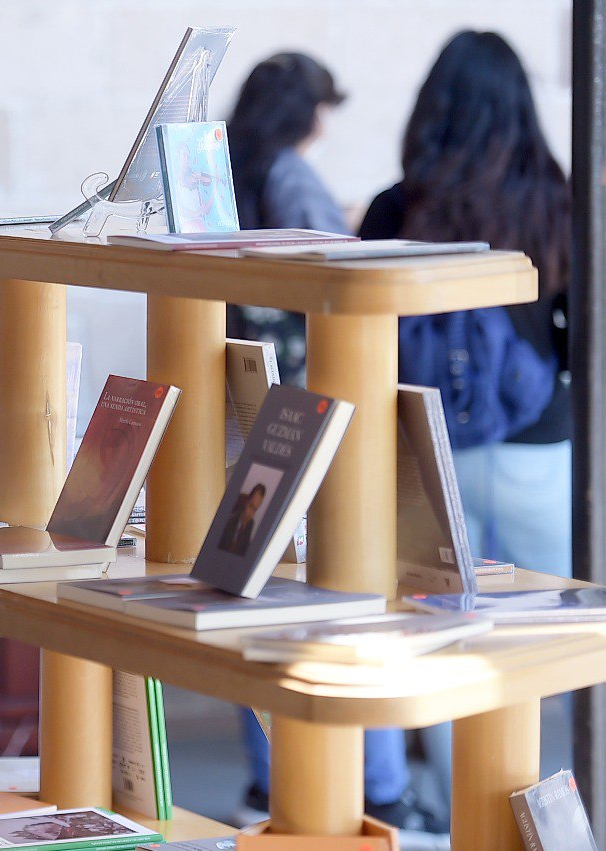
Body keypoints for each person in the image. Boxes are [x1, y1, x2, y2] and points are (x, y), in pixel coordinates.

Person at [225, 53, 447, 842]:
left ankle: (269, 778)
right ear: (306, 113)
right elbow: (344, 267)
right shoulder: (289, 172)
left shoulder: (223, 168)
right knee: (351, 595)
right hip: (310, 407)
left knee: (257, 605)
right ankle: (378, 789)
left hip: (241, 407)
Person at [358, 29, 572, 814]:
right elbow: (578, 333)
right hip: (537, 445)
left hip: (427, 449)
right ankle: (573, 809)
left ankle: (467, 817)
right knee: (574, 634)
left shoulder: (395, 204)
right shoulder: (557, 198)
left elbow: (364, 331)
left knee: (451, 642)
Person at [225, 53, 347, 388]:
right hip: (293, 356)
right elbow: (333, 260)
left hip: (233, 340)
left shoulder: (222, 162)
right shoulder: (290, 172)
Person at [218, 484, 265, 556]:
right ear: (247, 501)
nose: (251, 514)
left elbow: (245, 551)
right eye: (251, 506)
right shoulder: (231, 515)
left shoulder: (250, 524)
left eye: (255, 510)